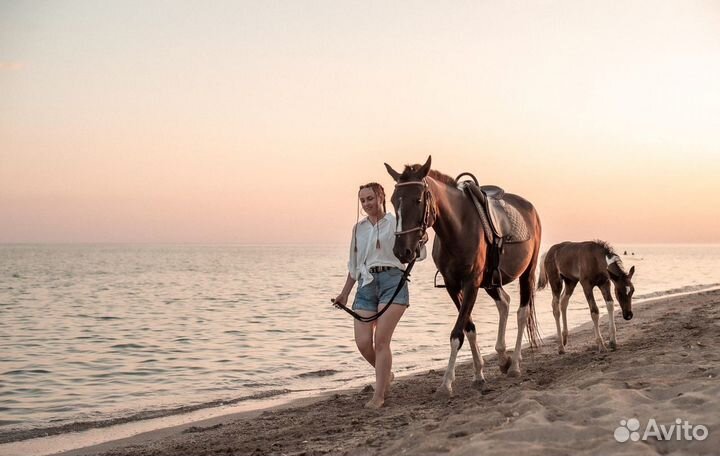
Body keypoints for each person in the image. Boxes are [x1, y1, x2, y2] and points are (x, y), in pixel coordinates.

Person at [333, 182, 425, 409]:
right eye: (363, 200)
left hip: (393, 281)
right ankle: (385, 374)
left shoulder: (396, 222)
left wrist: (421, 240)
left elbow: (417, 251)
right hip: (366, 284)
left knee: (381, 341)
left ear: (381, 197)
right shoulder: (358, 229)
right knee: (363, 342)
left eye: (370, 198)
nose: (367, 204)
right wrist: (345, 293)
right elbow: (354, 265)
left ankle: (379, 395)